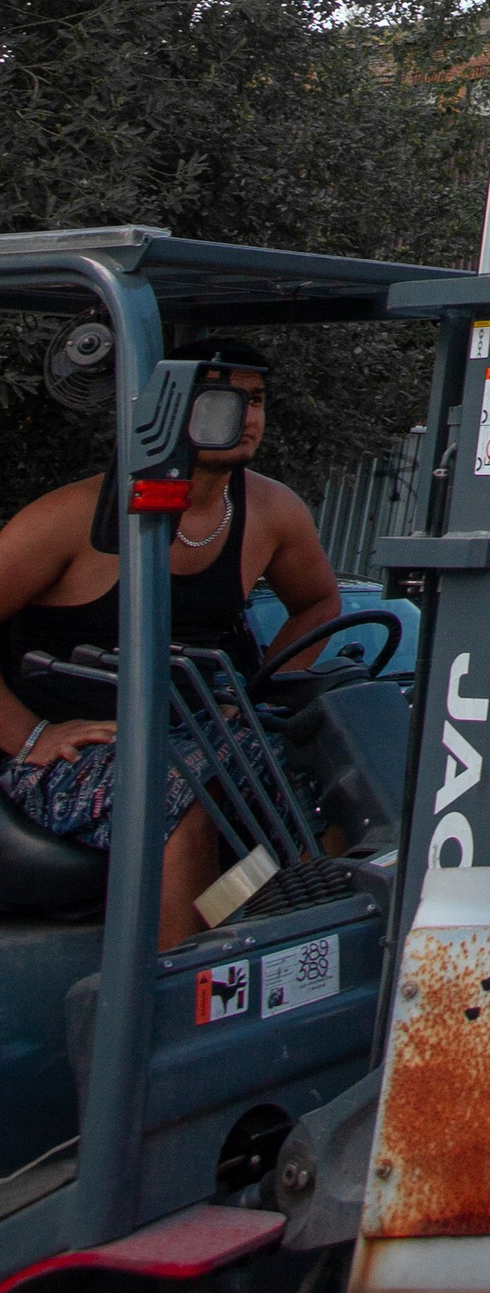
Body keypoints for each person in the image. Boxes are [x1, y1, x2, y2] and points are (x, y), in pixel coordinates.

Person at [0, 346, 341, 949]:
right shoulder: (72, 517)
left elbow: (318, 603)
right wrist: (30, 735)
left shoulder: (272, 511)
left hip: (197, 734)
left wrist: (253, 691)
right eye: (227, 400)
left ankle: (278, 958)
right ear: (167, 408)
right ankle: (170, 1007)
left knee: (338, 781)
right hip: (70, 751)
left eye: (257, 399)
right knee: (177, 791)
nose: (250, 416)